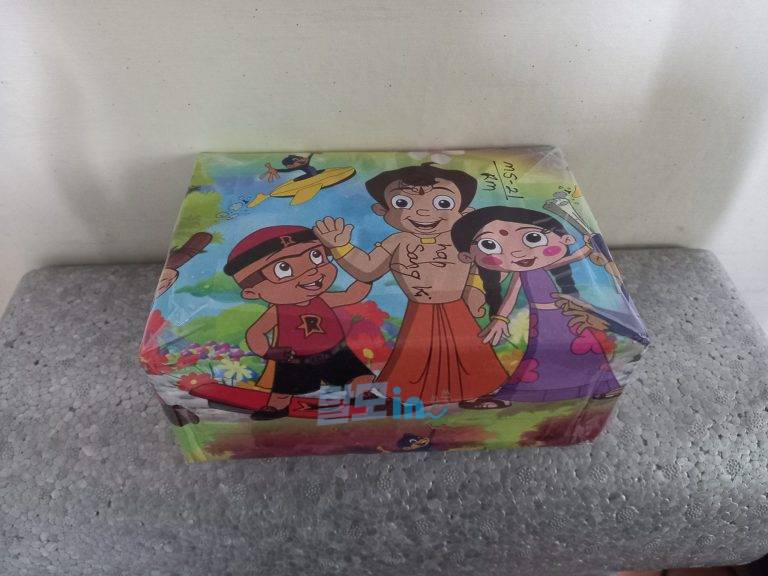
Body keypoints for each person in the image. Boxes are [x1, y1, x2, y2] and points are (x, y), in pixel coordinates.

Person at [312, 163, 506, 405]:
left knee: (469, 351)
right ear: (382, 211)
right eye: (402, 203)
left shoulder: (463, 239)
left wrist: (475, 289)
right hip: (420, 310)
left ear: (465, 212)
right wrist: (341, 247)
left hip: (458, 308)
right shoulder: (397, 241)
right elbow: (367, 269)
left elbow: (488, 264)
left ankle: (477, 392)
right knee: (416, 355)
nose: (423, 212)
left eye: (443, 203)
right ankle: (418, 397)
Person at [450, 206, 622, 408]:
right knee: (540, 352)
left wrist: (588, 245)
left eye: (533, 238)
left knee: (588, 347)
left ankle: (604, 385)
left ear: (565, 239)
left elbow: (574, 257)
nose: (516, 251)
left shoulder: (545, 265)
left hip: (567, 312)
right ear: (467, 256)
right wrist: (500, 319)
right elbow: (511, 296)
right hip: (542, 317)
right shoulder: (520, 274)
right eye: (489, 245)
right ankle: (522, 391)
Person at [223, 225, 373, 419]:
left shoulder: (322, 298)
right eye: (283, 269)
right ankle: (277, 407)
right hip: (294, 358)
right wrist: (269, 352)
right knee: (284, 389)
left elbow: (351, 295)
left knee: (359, 377)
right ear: (252, 292)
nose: (311, 272)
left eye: (316, 256)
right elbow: (255, 333)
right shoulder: (277, 310)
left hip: (335, 351)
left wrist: (366, 275)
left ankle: (361, 395)